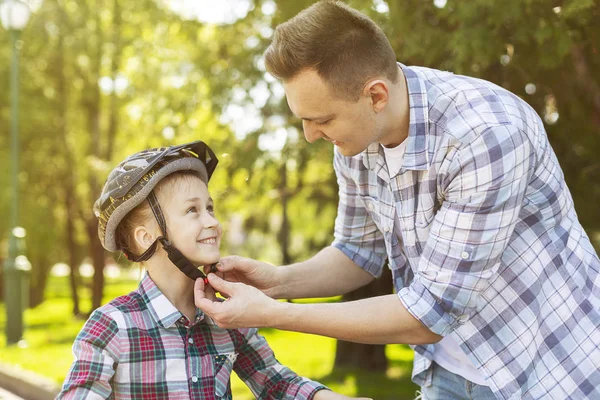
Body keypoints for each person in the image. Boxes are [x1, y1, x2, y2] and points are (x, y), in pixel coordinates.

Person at [193, 1, 600, 399]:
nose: (310, 135)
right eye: (304, 119)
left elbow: (429, 313)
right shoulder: (357, 139)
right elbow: (357, 252)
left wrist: (273, 314)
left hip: (549, 369)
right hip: (447, 370)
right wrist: (277, 281)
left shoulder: (485, 135)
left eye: (322, 119)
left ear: (375, 96)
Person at [58, 140, 368, 400]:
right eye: (192, 210)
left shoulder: (228, 317)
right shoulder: (112, 327)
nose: (211, 222)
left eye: (210, 208)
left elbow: (275, 381)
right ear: (146, 237)